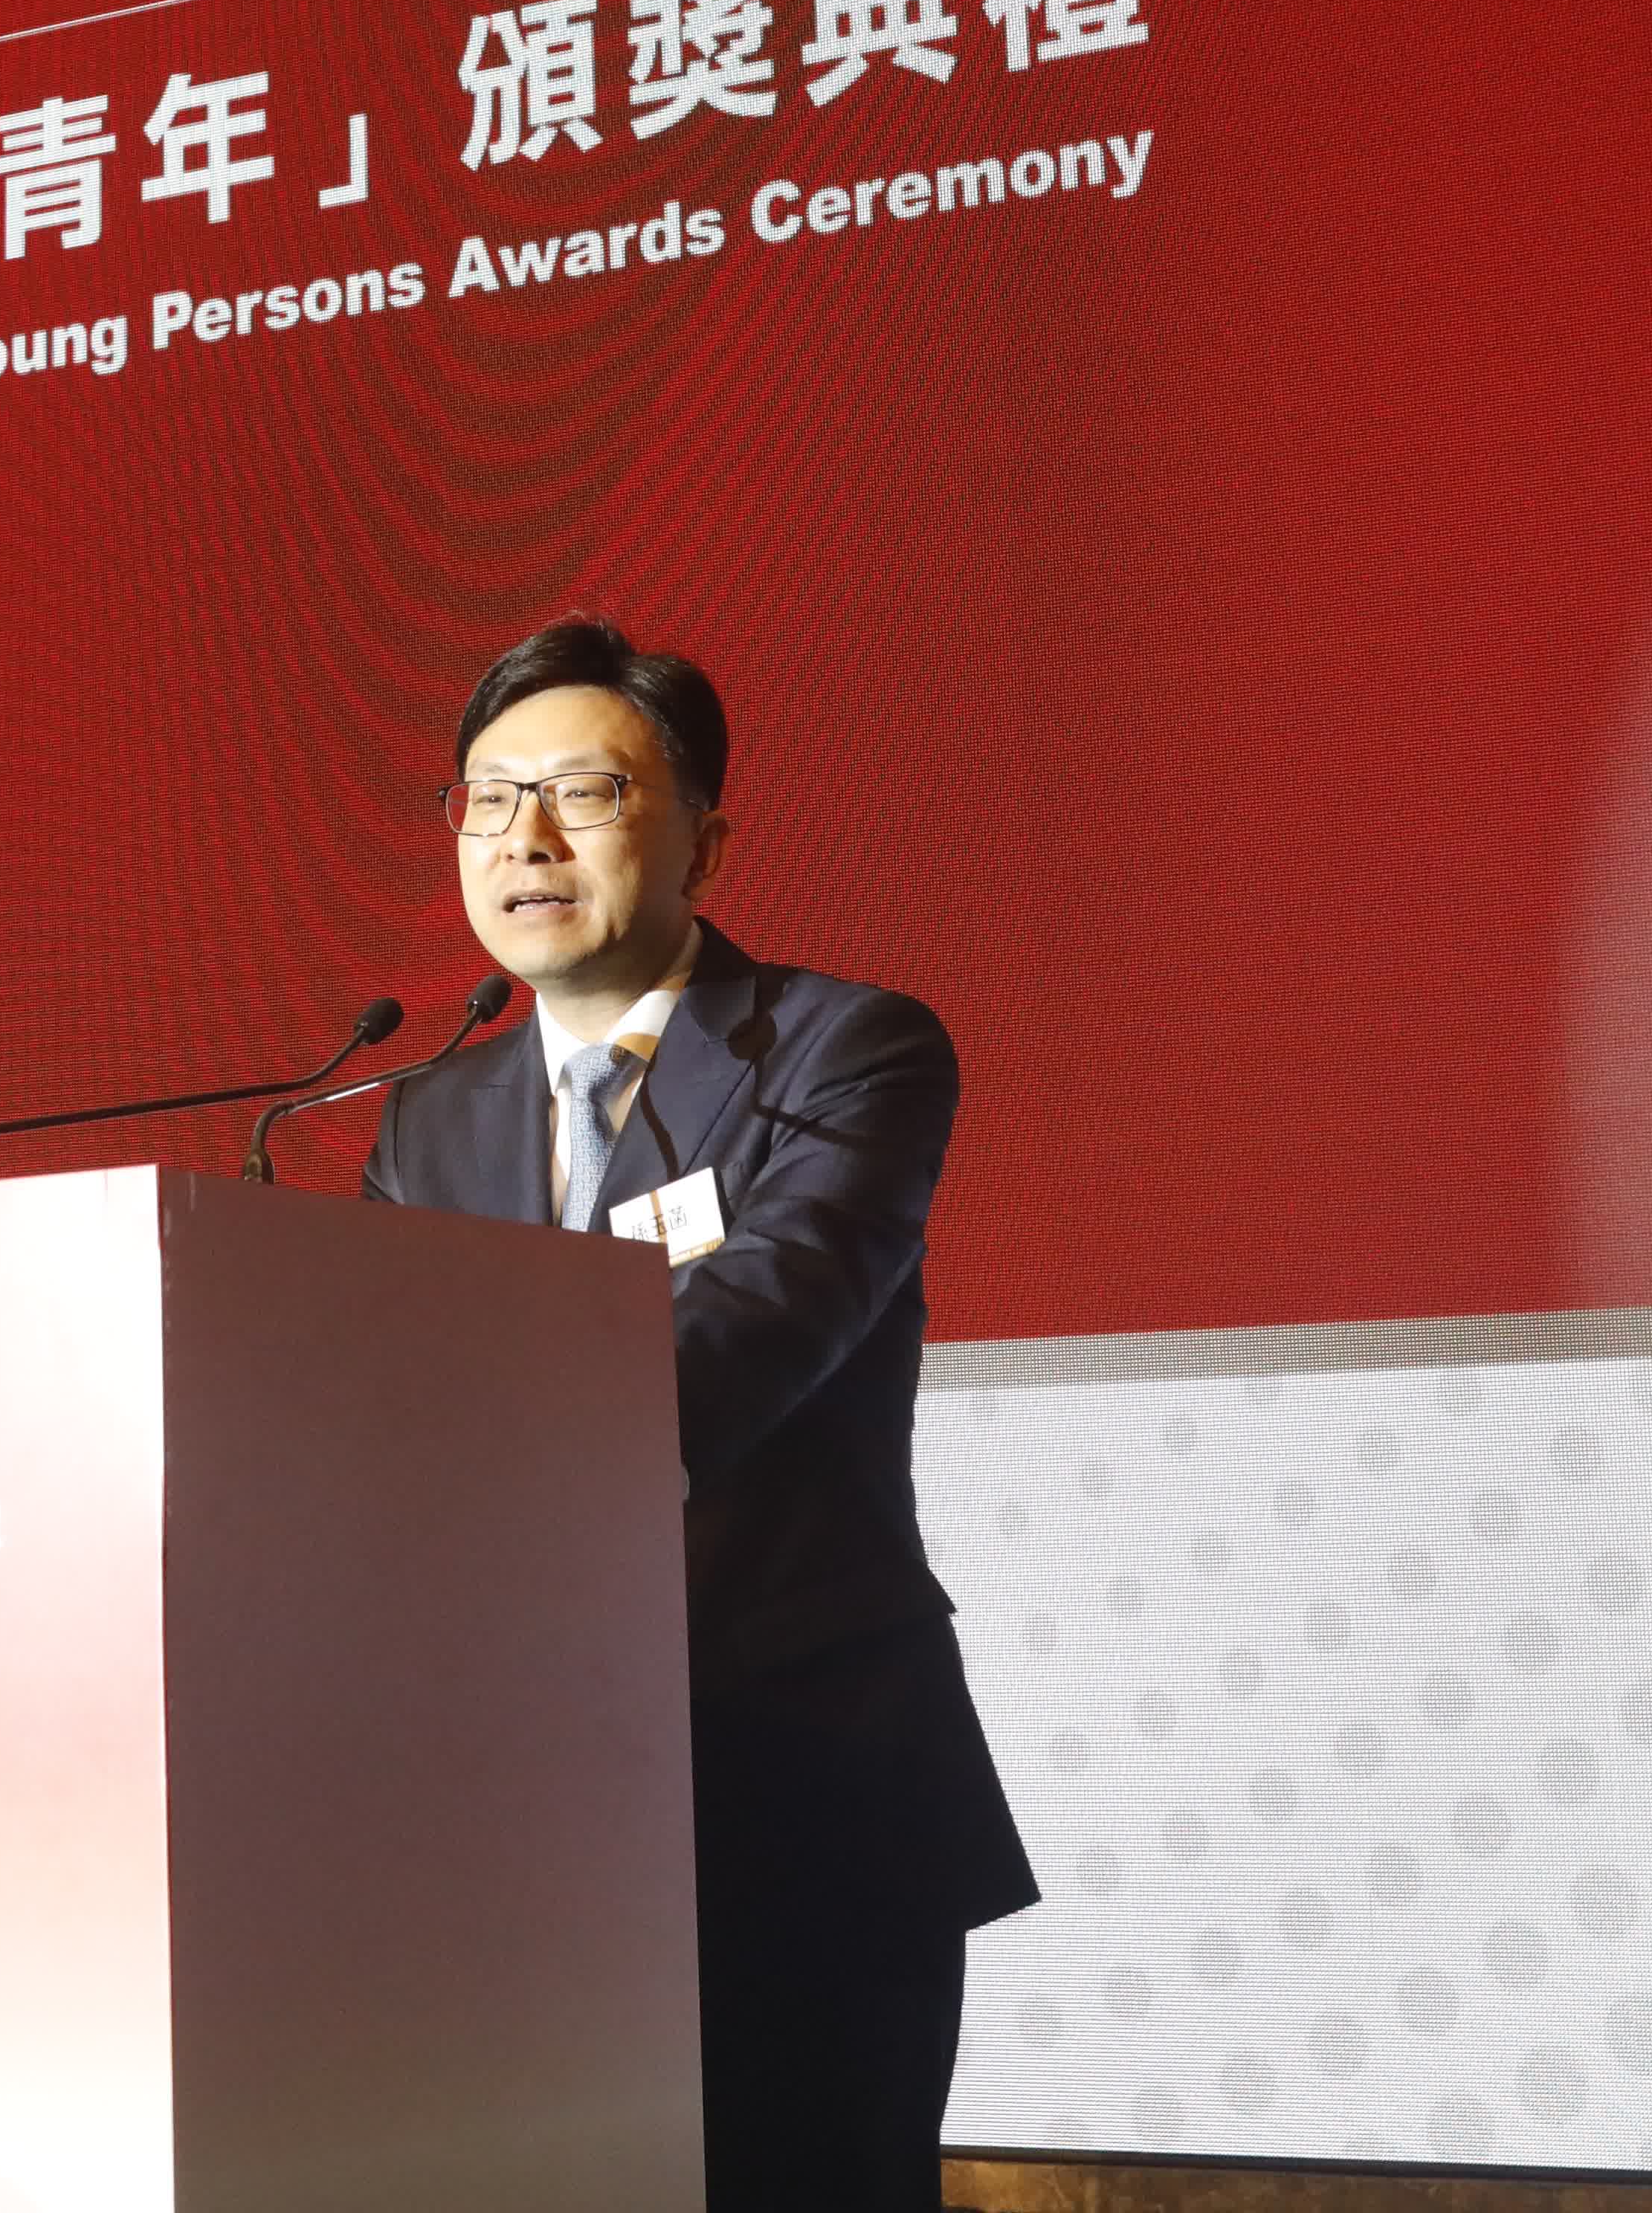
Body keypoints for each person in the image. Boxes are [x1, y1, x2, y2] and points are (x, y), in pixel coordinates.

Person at [362, 616, 1035, 2213]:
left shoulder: (846, 1050)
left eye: (583, 792)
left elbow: (759, 1325)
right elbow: (375, 1407)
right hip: (510, 1822)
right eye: (487, 798)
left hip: (796, 1798)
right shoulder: (423, 1116)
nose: (525, 838)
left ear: (705, 840)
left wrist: (450, 1448)